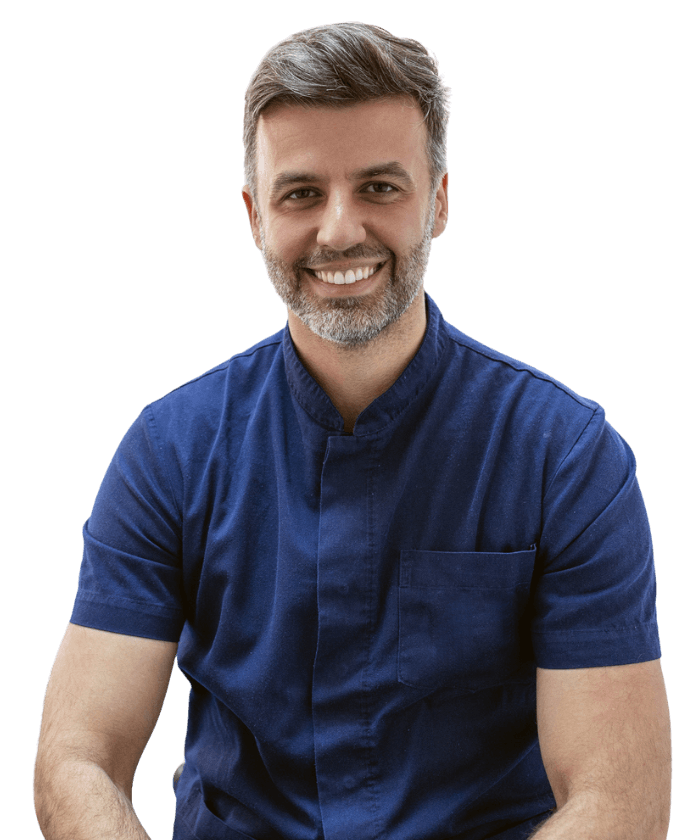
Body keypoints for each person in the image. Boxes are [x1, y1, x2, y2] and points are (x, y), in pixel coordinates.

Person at [33, 21, 671, 840]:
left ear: (437, 200)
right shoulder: (168, 454)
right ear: (255, 215)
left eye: (379, 187)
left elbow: (619, 802)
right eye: (301, 193)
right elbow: (77, 759)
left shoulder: (566, 458)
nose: (339, 230)